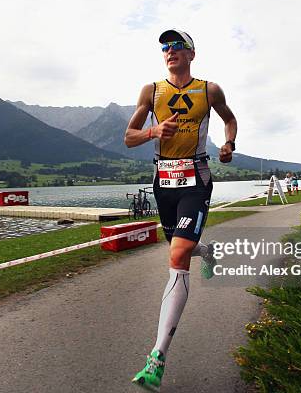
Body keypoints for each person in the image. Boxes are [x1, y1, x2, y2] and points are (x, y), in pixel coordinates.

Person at [124, 29, 238, 391]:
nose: (169, 51)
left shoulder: (209, 90)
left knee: (177, 254)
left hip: (196, 178)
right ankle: (208, 251)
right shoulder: (151, 91)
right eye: (165, 47)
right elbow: (129, 137)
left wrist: (230, 143)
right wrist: (153, 131)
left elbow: (228, 119)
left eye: (177, 46)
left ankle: (157, 356)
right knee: (179, 245)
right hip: (164, 182)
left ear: (192, 53)